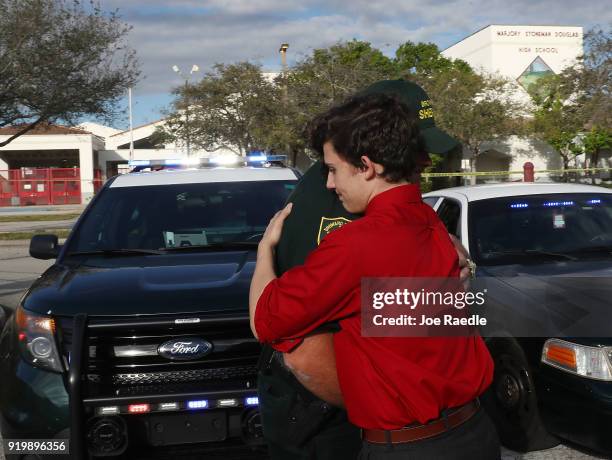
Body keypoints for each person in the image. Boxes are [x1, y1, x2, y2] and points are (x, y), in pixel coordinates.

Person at [250, 92, 499, 459]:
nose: (330, 185)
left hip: (409, 447)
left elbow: (265, 323)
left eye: (333, 169)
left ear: (366, 166)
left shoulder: (355, 246)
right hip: (474, 431)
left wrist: (264, 252)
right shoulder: (431, 222)